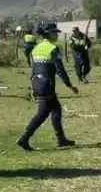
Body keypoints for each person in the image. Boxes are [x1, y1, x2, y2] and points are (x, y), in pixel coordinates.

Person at [16, 23, 78, 151]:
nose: (57, 34)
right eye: (55, 32)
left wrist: (32, 87)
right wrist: (69, 85)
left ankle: (61, 139)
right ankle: (24, 138)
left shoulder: (36, 48)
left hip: (37, 82)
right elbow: (60, 70)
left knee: (56, 110)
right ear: (49, 34)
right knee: (42, 114)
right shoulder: (52, 48)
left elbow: (33, 69)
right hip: (46, 85)